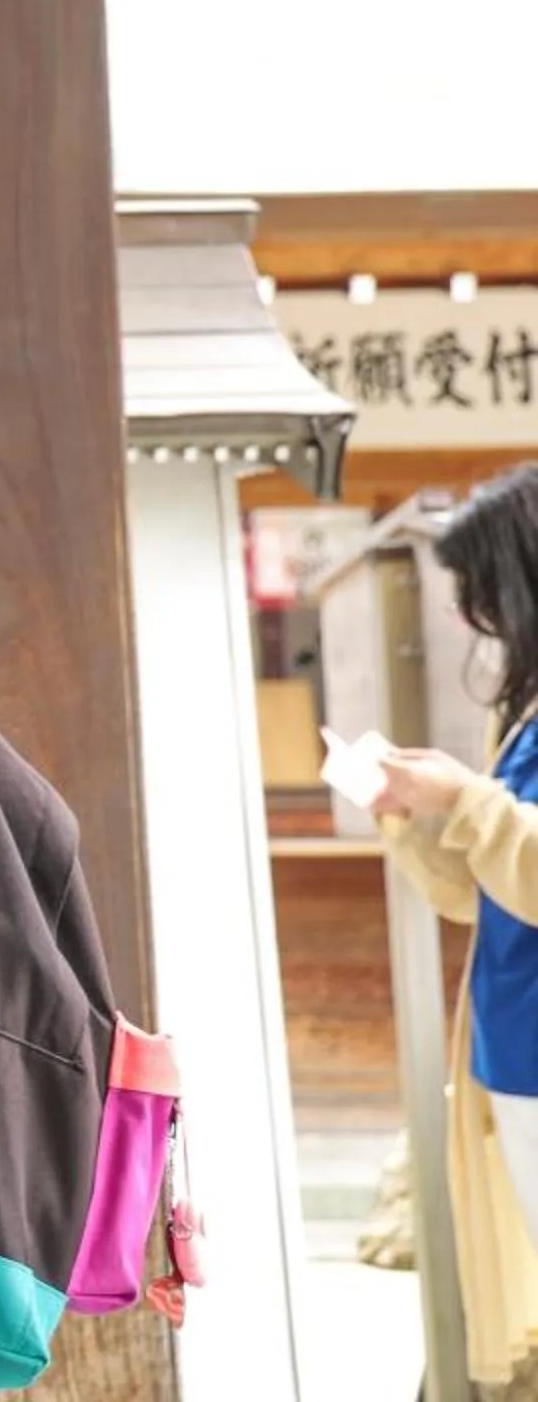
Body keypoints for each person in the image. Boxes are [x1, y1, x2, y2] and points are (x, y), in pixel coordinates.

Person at [373, 463, 538, 1386]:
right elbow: (480, 892)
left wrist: (467, 800)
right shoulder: (524, 724)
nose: (471, 617)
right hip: (512, 1057)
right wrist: (411, 813)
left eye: (481, 592)